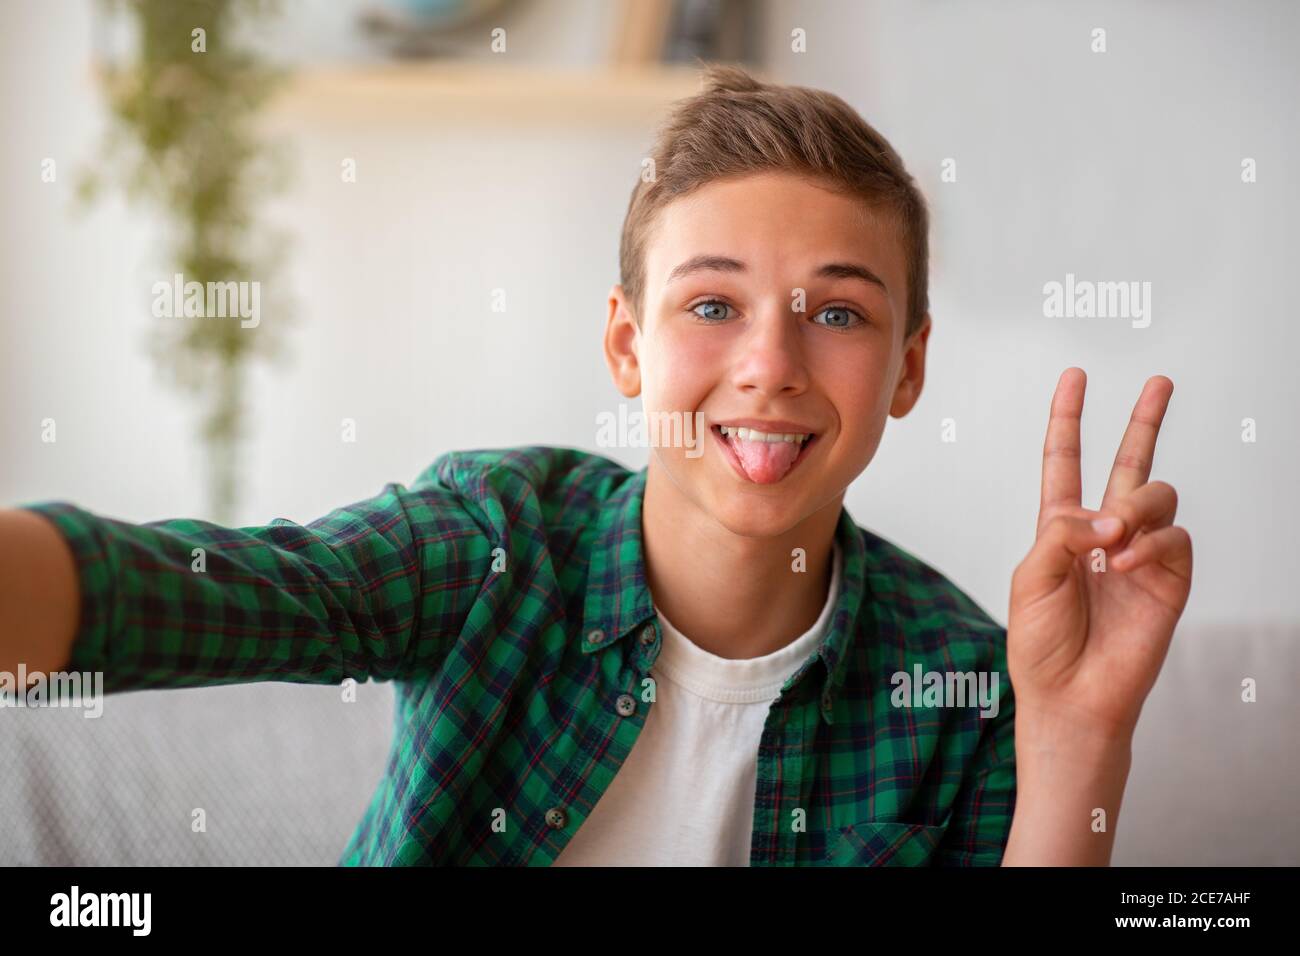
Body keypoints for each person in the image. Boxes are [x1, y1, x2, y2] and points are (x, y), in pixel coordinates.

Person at [0, 65, 1191, 866]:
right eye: (712, 302)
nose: (768, 362)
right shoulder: (495, 542)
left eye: (836, 314)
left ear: (908, 368)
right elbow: (223, 591)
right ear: (627, 343)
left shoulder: (964, 683)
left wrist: (1077, 733)